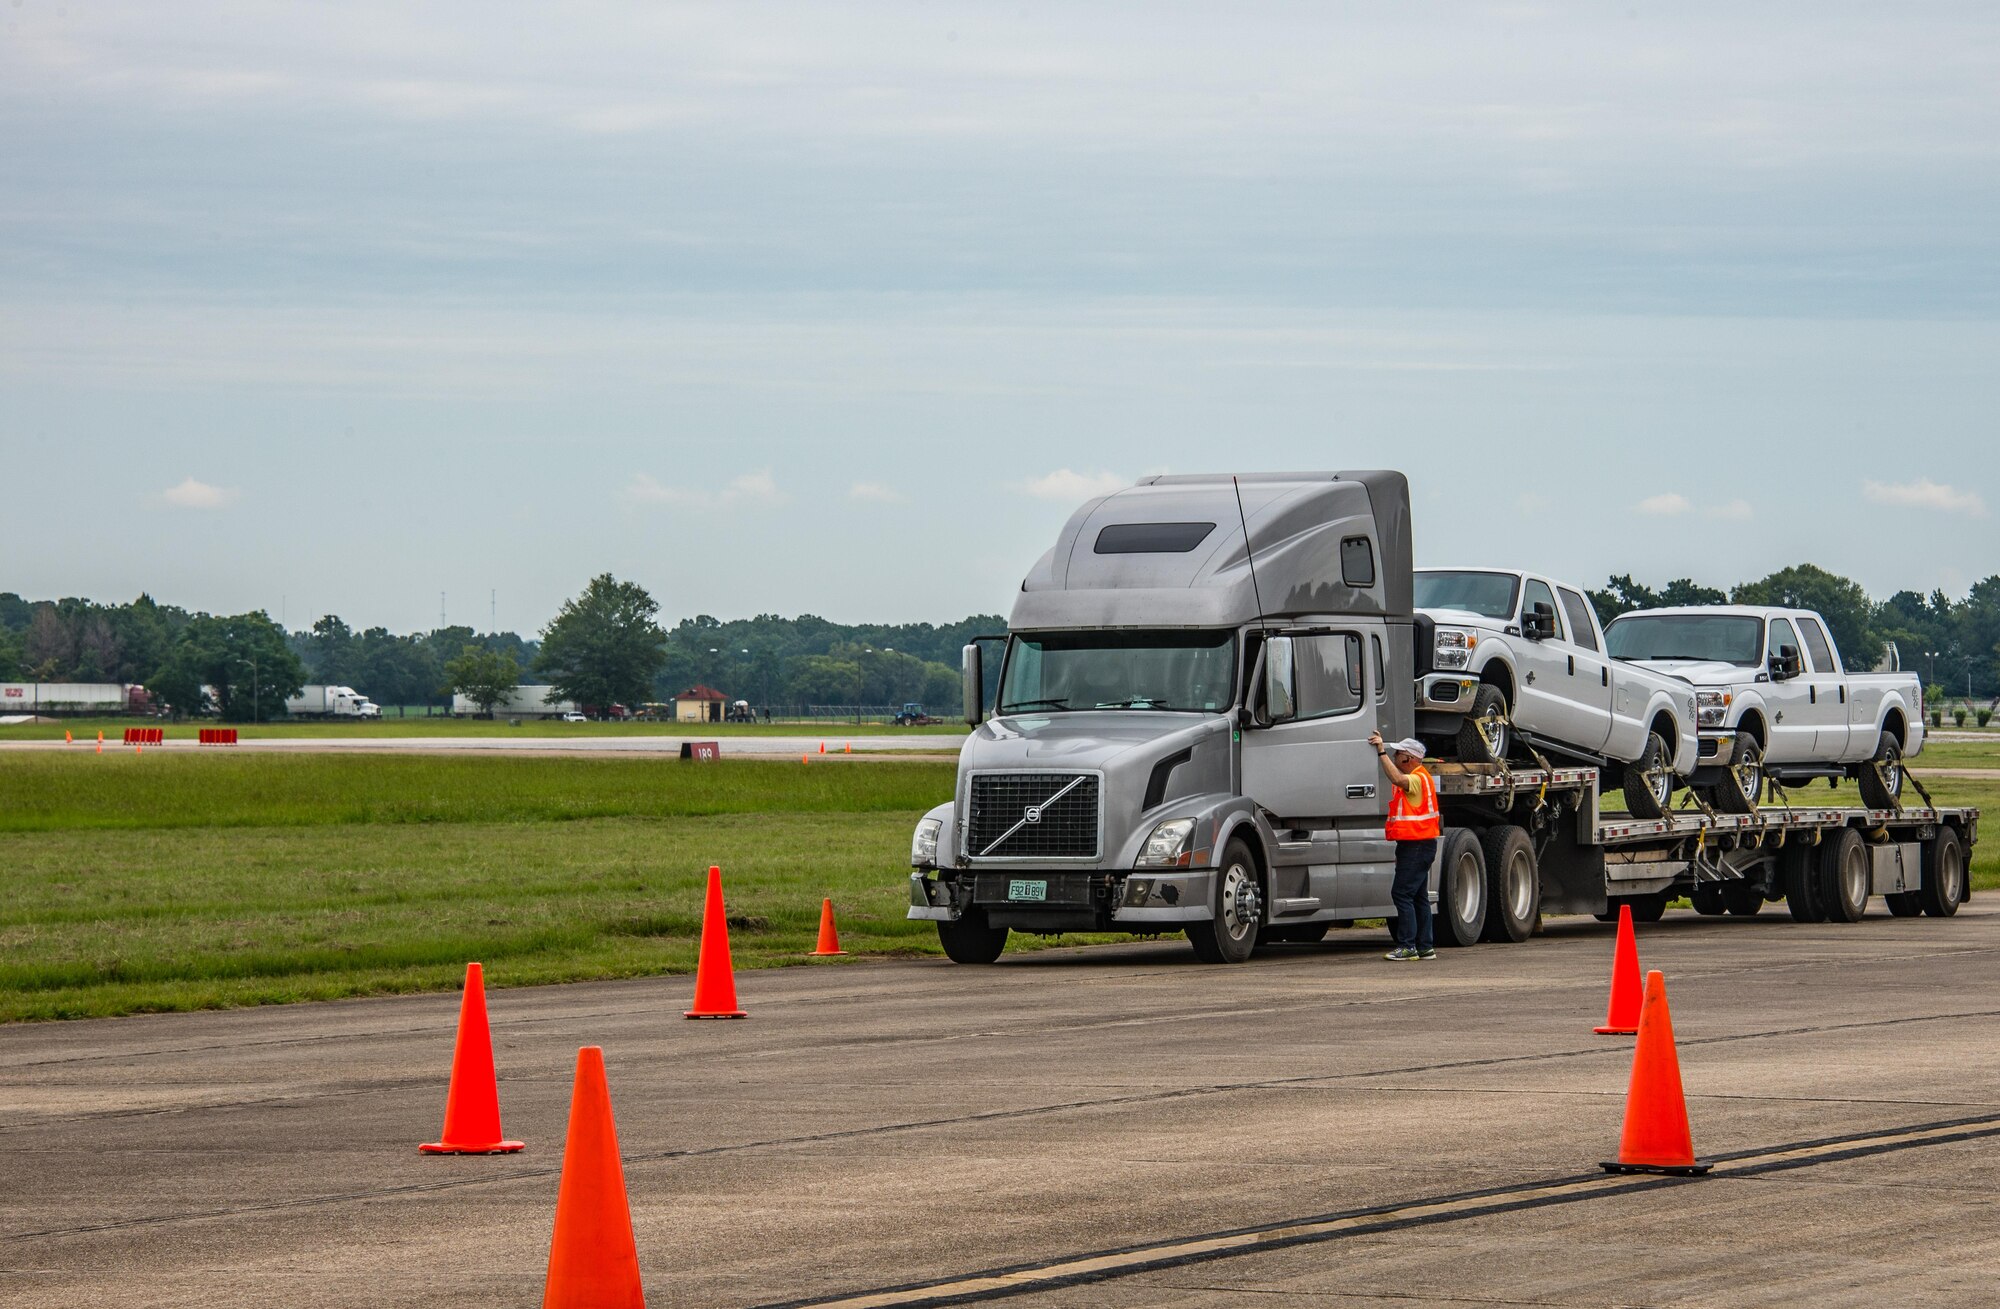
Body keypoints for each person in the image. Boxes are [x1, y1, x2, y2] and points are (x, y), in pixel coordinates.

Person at [1369, 731, 1441, 961]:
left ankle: (1408, 945)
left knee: (1401, 893)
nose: (1395, 757)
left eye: (1397, 754)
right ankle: (1425, 946)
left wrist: (1380, 752)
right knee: (1418, 896)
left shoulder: (1417, 779)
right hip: (1419, 845)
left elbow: (1397, 779)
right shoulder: (1421, 778)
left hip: (1416, 845)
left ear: (1408, 758)